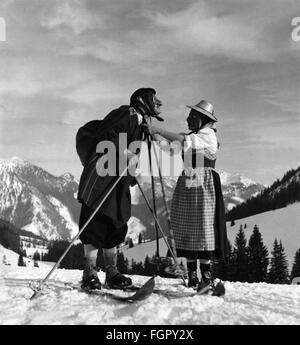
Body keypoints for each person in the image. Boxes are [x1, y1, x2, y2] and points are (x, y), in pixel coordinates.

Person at [76, 88, 163, 290]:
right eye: (153, 98)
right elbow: (106, 136)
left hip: (119, 177)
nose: (158, 102)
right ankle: (89, 272)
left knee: (116, 220)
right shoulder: (127, 113)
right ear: (143, 100)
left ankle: (111, 272)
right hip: (102, 176)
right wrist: (127, 154)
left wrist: (132, 170)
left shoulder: (140, 124)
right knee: (95, 220)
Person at [144, 100, 228, 292]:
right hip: (190, 182)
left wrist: (159, 129)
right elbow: (172, 147)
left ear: (201, 119)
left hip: (203, 183)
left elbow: (182, 140)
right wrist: (154, 135)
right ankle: (192, 275)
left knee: (203, 227)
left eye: (192, 117)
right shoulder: (195, 136)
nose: (188, 120)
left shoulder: (208, 135)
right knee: (189, 226)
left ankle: (206, 277)